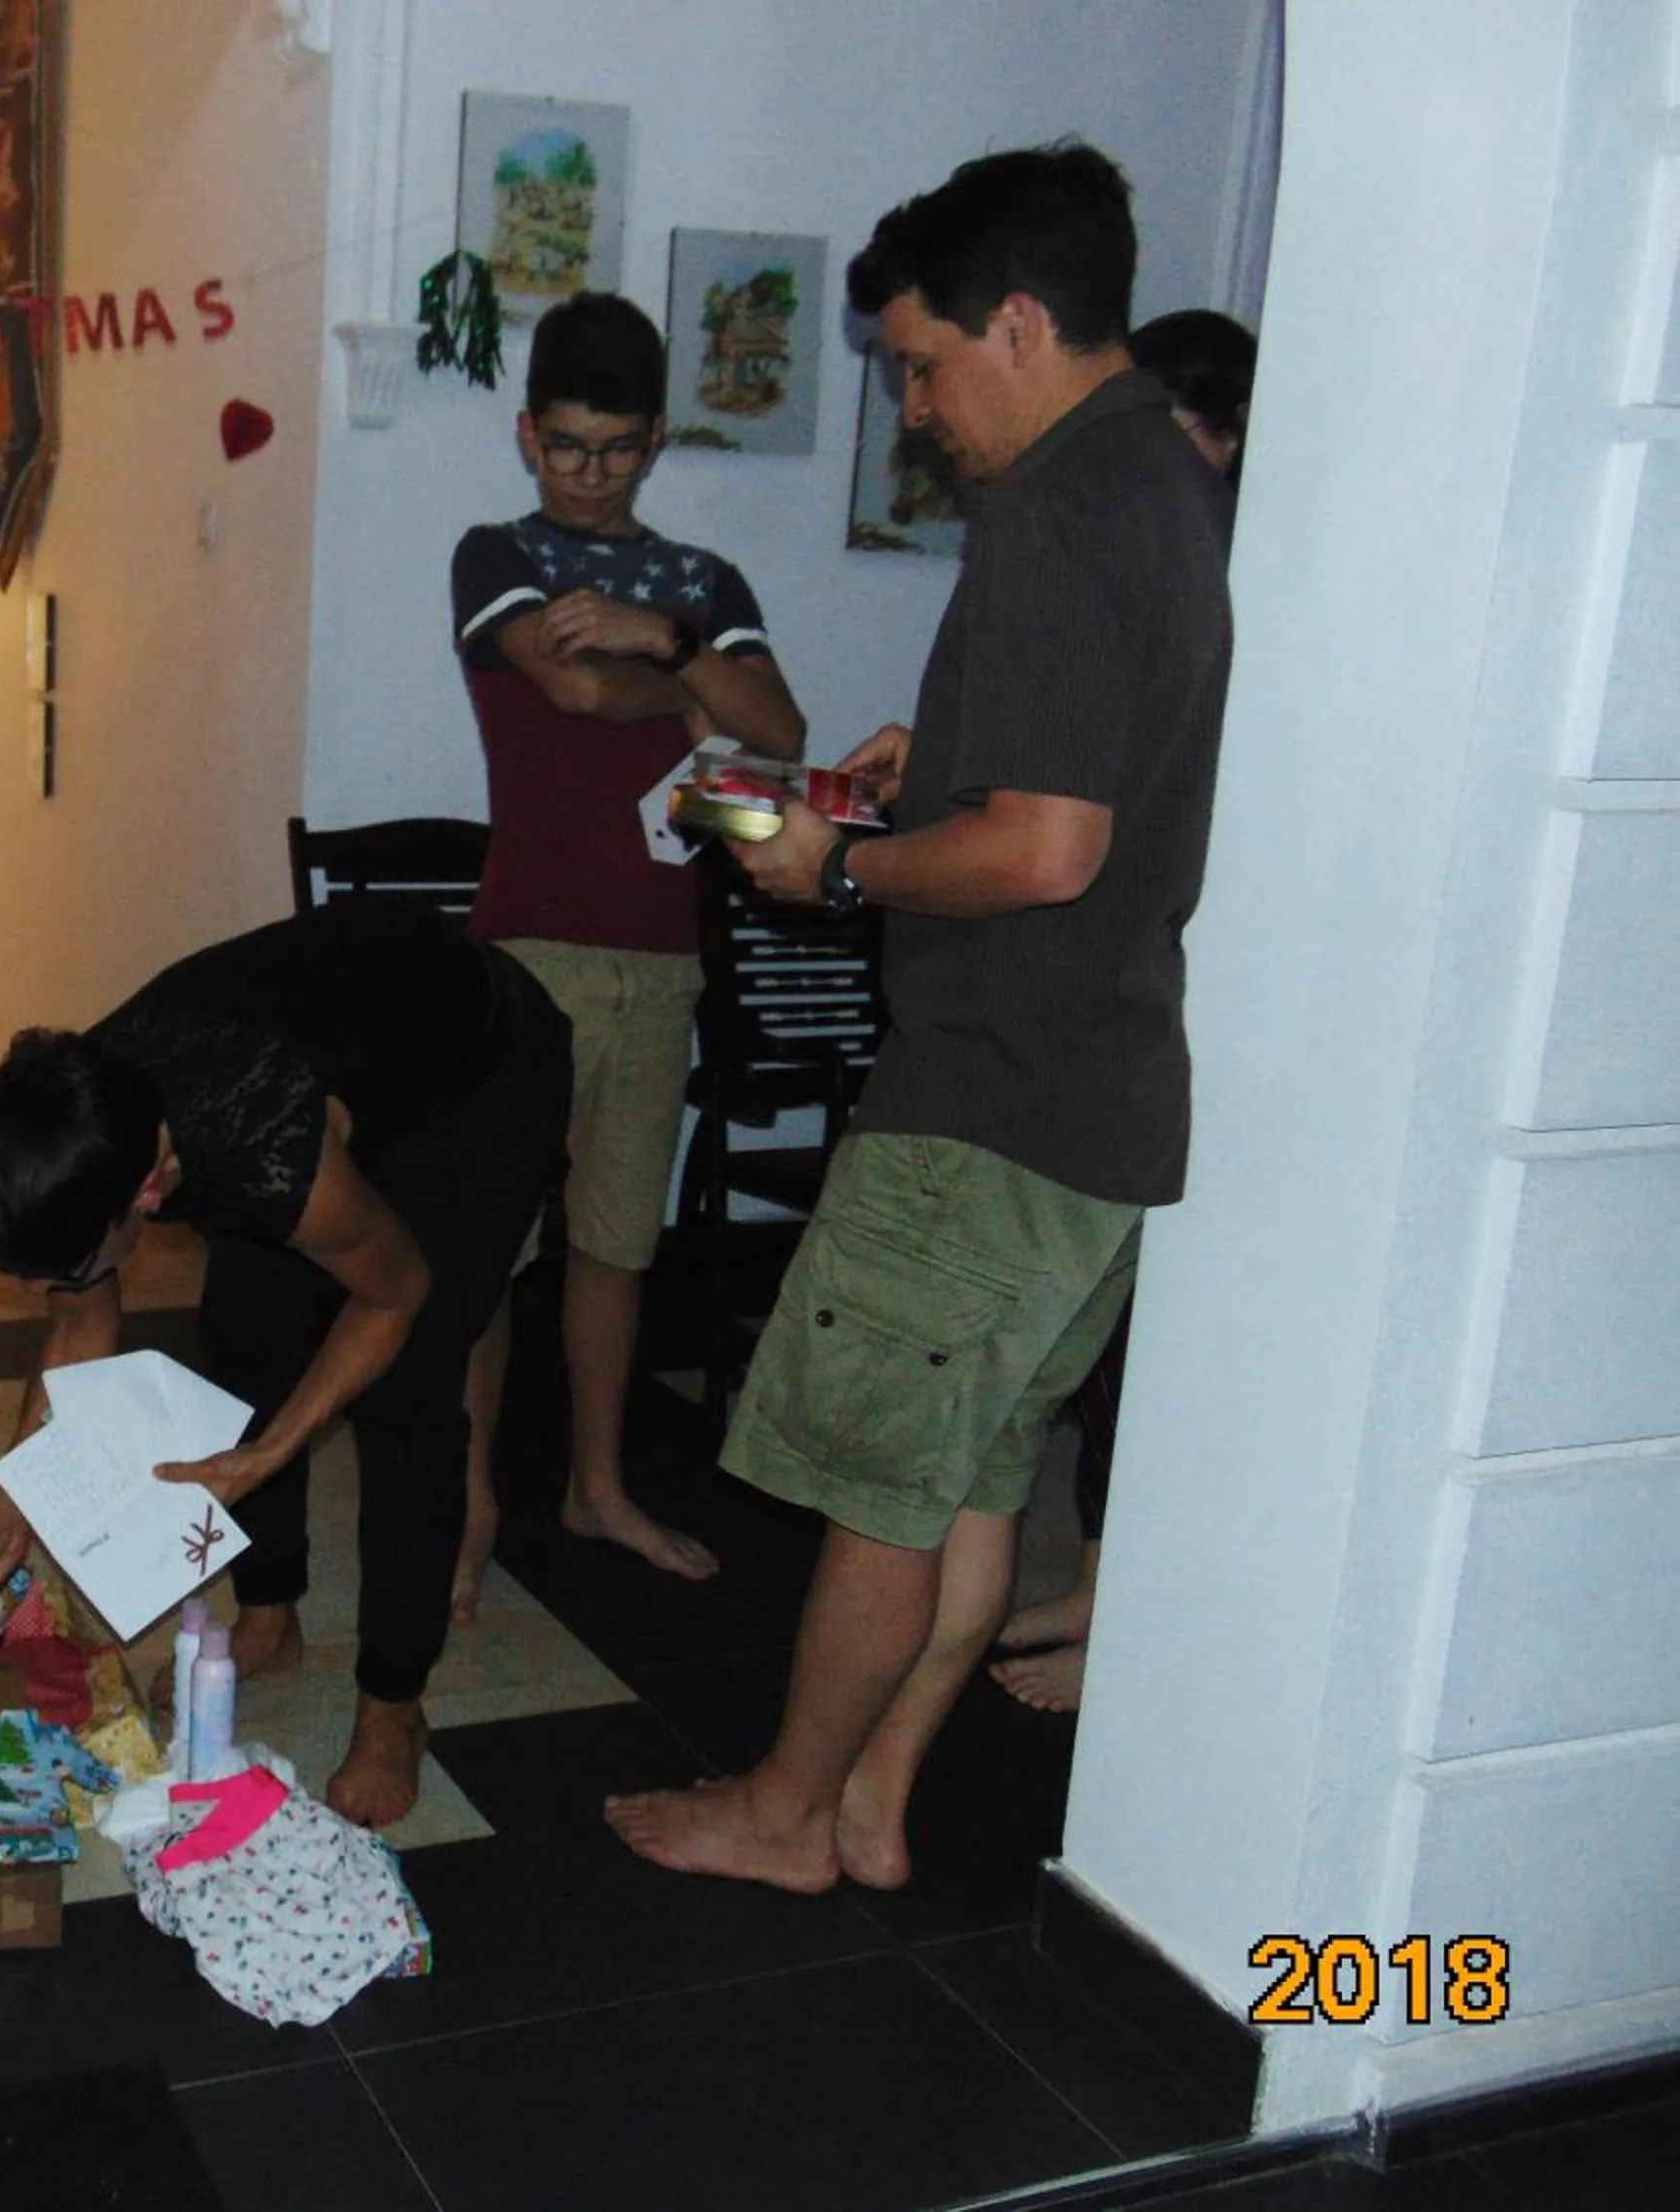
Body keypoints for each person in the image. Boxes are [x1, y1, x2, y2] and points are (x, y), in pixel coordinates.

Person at [606, 143, 1231, 1892]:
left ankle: (788, 1814)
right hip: (1101, 1107)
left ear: (1020, 323)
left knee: (880, 1483)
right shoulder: (1166, 480)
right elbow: (1073, 787)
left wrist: (836, 867)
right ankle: (875, 1800)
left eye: (921, 361)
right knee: (970, 1479)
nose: (915, 403)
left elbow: (1040, 853)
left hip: (991, 1099)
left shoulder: (1052, 510)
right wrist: (923, 767)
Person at [0, 901, 572, 1827]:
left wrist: (276, 1447)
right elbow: (78, 1330)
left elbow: (392, 1291)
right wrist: (9, 1503)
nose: (48, 1295)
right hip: (342, 1038)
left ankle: (394, 1708)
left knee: (407, 1389)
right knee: (246, 1323)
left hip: (481, 1075)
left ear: (146, 1193)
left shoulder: (262, 1143)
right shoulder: (81, 1120)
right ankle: (271, 1614)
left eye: (57, 1272)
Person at [447, 291, 809, 1620]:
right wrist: (692, 684)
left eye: (616, 451)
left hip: (661, 953)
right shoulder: (494, 551)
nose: (590, 478)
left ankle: (598, 1482)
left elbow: (779, 725)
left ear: (656, 438)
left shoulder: (698, 585)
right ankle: (468, 1494)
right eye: (567, 449)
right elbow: (575, 691)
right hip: (527, 949)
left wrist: (666, 641)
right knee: (491, 1246)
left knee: (615, 1245)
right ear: (529, 433)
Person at [990, 302, 1255, 1716]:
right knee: (1119, 1342)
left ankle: (1125, 1622)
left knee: (1172, 1343)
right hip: (1149, 1001)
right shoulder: (1166, 555)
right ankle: (1100, 1581)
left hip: (1212, 1009)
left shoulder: (1241, 574)